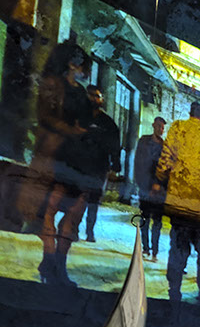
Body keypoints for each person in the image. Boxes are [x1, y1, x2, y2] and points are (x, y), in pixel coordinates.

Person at [15, 41, 92, 287]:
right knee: (48, 211)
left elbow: (86, 122)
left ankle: (57, 265)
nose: (84, 70)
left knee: (72, 213)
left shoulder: (81, 92)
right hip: (54, 155)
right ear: (71, 63)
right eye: (82, 65)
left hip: (76, 159)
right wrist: (72, 131)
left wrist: (83, 133)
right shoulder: (51, 84)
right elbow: (46, 118)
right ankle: (51, 263)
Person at [153, 101, 200, 304]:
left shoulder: (177, 129)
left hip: (179, 204)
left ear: (190, 113)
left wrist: (161, 179)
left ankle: (174, 290)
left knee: (178, 248)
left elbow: (164, 162)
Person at [80, 85, 122, 243]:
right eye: (90, 95)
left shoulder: (108, 123)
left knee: (93, 199)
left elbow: (115, 146)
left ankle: (89, 231)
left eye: (97, 96)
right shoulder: (80, 118)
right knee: (78, 197)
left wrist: (115, 166)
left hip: (99, 166)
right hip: (79, 163)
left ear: (102, 100)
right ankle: (72, 227)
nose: (93, 99)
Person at [133, 116, 167, 261]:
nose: (160, 129)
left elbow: (166, 168)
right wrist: (140, 182)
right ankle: (145, 247)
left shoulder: (165, 147)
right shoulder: (144, 141)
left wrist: (160, 184)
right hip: (145, 186)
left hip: (159, 190)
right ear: (153, 125)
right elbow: (138, 162)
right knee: (145, 218)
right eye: (158, 126)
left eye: (162, 127)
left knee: (157, 222)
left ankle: (155, 251)